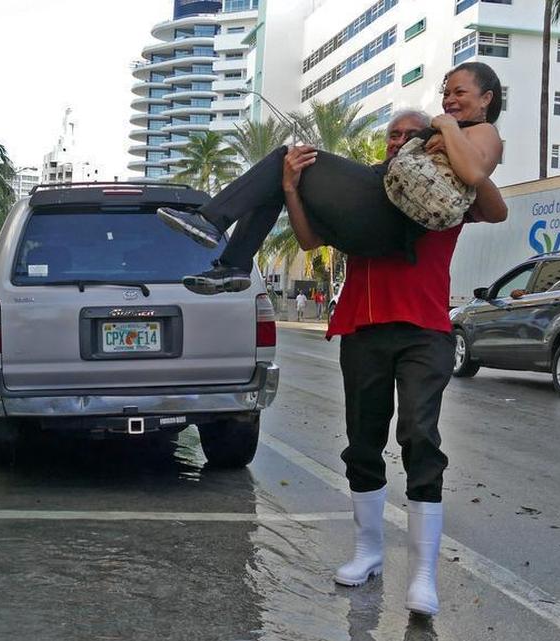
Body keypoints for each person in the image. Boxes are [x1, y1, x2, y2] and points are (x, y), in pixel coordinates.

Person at [283, 68, 507, 617]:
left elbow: (495, 206)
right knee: (362, 442)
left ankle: (423, 575)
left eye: (411, 135)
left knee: (419, 438)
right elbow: (310, 238)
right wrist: (291, 186)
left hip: (425, 329)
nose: (400, 142)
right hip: (361, 327)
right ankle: (368, 552)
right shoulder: (363, 192)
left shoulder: (445, 183)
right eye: (392, 135)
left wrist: (448, 140)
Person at [157, 63, 505, 298]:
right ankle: (232, 264)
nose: (449, 100)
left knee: (284, 155)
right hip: (375, 226)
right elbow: (309, 241)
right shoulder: (452, 134)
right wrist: (291, 187)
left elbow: (475, 174)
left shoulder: (482, 131)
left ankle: (212, 223)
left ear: (486, 99)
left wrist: (444, 126)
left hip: (385, 213)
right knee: (285, 170)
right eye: (446, 94)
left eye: (460, 93)